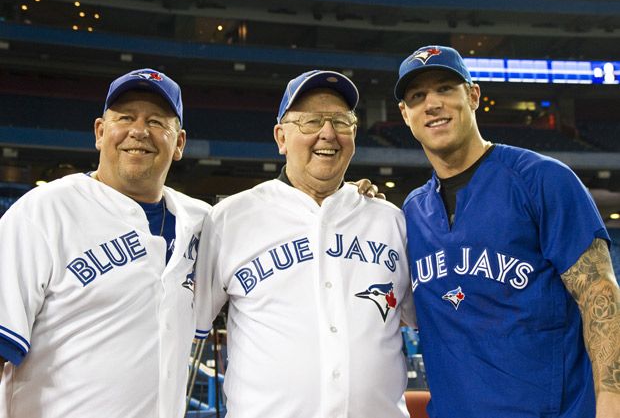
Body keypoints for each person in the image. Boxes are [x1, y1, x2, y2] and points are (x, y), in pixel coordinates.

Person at [394, 45, 620, 418]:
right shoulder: (412, 212)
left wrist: (611, 403)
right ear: (405, 114)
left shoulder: (544, 180)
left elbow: (599, 292)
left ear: (474, 96)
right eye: (417, 97)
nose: (432, 104)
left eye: (445, 89)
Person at [194, 70, 415, 418]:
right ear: (281, 137)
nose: (328, 133)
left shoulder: (390, 221)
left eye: (341, 122)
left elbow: (430, 320)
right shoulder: (229, 219)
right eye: (311, 121)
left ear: (354, 134)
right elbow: (187, 328)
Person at [0, 69, 211, 418]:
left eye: (157, 121)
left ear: (179, 144)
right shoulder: (41, 213)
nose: (139, 131)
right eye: (125, 117)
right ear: (100, 132)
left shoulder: (203, 222)